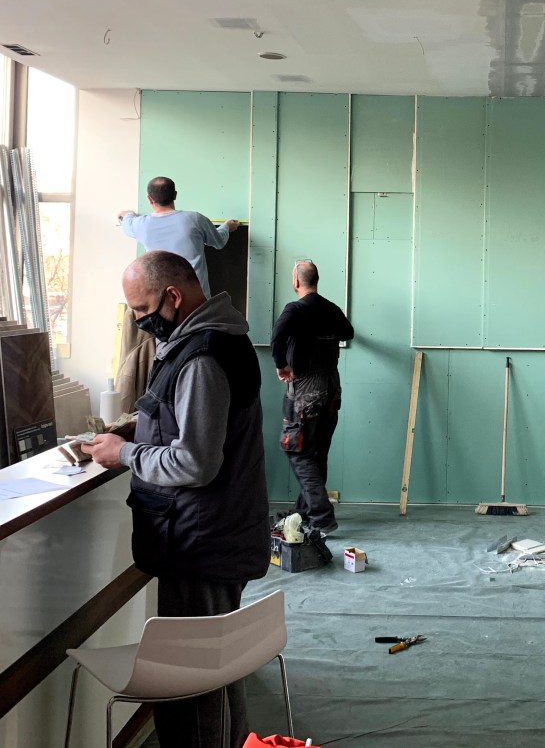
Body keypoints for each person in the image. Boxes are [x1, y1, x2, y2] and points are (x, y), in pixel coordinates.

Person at [82, 250, 269, 748]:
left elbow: (194, 462)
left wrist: (125, 453)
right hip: (211, 535)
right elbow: (190, 425)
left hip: (201, 542)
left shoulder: (202, 356)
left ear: (173, 296)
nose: (139, 322)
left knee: (195, 679)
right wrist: (138, 429)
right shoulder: (206, 341)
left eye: (143, 310)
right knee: (215, 670)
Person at [271, 259, 353, 542]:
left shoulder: (295, 309)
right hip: (331, 387)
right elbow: (348, 333)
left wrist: (281, 365)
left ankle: (321, 515)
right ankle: (304, 511)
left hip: (306, 388)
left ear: (296, 281)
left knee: (297, 450)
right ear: (316, 280)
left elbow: (277, 337)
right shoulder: (331, 309)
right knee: (317, 452)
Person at [118, 176, 241, 297]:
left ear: (150, 199)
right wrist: (227, 227)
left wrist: (128, 214)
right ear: (175, 195)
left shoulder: (140, 224)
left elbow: (127, 221)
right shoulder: (195, 219)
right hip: (197, 298)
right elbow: (219, 242)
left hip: (164, 299)